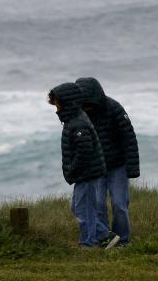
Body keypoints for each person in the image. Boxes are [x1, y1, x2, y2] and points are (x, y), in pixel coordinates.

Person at [48, 82, 120, 249]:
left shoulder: (78, 123)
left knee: (83, 210)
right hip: (85, 174)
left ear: (68, 103)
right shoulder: (72, 120)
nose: (56, 110)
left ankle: (88, 244)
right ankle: (104, 235)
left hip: (87, 174)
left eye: (58, 105)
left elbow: (84, 152)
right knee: (78, 207)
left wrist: (72, 170)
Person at [75, 77, 139, 246]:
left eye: (89, 104)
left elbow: (129, 137)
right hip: (96, 169)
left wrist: (132, 168)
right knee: (97, 205)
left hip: (118, 166)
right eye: (84, 105)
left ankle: (123, 241)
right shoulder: (78, 114)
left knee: (119, 204)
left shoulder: (114, 108)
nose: (87, 108)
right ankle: (105, 240)